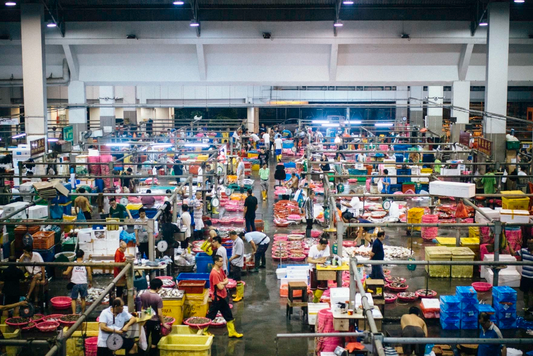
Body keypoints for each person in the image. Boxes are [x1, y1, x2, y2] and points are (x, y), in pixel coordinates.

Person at [204, 255, 243, 338]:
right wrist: (223, 283)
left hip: (223, 296)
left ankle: (232, 332)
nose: (222, 262)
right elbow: (220, 287)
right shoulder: (214, 273)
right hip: (217, 298)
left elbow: (226, 279)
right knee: (211, 315)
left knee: (228, 315)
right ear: (216, 262)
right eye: (220, 261)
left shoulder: (220, 270)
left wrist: (222, 282)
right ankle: (203, 331)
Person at [141, 278, 170, 355]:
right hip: (155, 321)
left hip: (145, 320)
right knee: (154, 340)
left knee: (145, 337)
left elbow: (140, 307)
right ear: (157, 287)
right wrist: (164, 323)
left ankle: (144, 352)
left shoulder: (143, 295)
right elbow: (160, 313)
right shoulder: (158, 298)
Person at [63, 250, 92, 314]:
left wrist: (63, 272)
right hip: (83, 283)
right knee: (83, 298)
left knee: (74, 299)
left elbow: (67, 272)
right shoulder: (86, 264)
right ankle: (83, 313)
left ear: (76, 256)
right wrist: (90, 282)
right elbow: (89, 275)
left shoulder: (73, 263)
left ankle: (74, 313)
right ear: (83, 255)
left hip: (74, 283)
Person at [307, 237, 330, 303]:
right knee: (314, 286)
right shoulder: (313, 248)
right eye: (323, 246)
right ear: (319, 244)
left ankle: (315, 300)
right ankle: (316, 301)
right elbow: (309, 260)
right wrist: (318, 261)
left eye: (325, 246)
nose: (324, 248)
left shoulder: (327, 247)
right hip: (313, 268)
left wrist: (314, 260)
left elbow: (323, 259)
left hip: (322, 269)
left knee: (323, 286)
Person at [516, 239, 533, 313]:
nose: (530, 245)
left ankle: (531, 308)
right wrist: (509, 245)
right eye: (528, 243)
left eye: (531, 244)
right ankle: (526, 307)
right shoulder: (523, 251)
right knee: (525, 293)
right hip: (525, 276)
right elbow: (513, 253)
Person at [228, 231, 244, 302]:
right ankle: (238, 293)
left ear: (233, 235)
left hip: (237, 263)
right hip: (235, 263)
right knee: (236, 279)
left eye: (230, 236)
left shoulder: (239, 242)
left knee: (238, 280)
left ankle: (239, 295)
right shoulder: (235, 241)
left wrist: (231, 258)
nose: (230, 238)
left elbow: (239, 253)